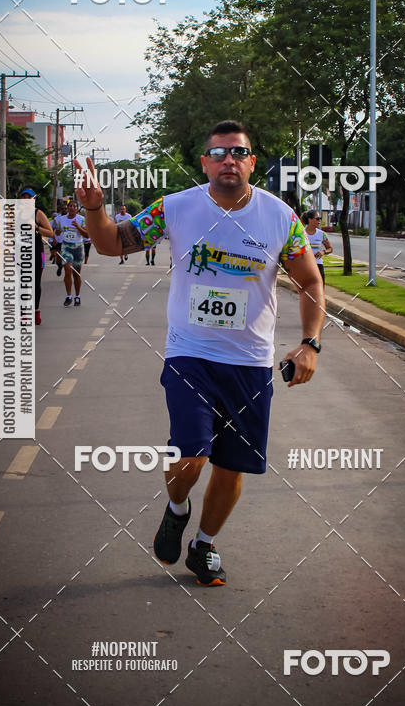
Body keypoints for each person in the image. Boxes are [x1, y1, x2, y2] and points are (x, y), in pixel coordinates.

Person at [74, 120, 324, 587]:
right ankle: (176, 508)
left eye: (239, 152)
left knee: (232, 466)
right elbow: (111, 244)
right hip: (189, 355)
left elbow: (310, 281)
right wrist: (95, 211)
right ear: (205, 162)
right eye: (220, 152)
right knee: (191, 455)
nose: (230, 159)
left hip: (250, 363)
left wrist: (309, 343)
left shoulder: (281, 218)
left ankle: (204, 544)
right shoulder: (175, 208)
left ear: (252, 162)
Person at [19, 188, 53, 325]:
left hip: (37, 252)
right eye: (24, 197)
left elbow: (50, 233)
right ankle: (24, 314)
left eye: (29, 197)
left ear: (33, 199)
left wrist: (36, 227)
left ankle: (36, 312)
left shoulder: (38, 213)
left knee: (35, 283)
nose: (26, 200)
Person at [55, 199, 89, 306]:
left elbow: (87, 235)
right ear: (68, 208)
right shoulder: (62, 219)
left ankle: (77, 296)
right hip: (66, 247)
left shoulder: (81, 219)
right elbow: (58, 231)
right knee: (67, 270)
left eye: (75, 206)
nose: (72, 208)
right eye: (71, 206)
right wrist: (57, 233)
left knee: (76, 274)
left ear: (77, 209)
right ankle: (69, 296)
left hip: (78, 248)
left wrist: (77, 226)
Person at [303, 209, 332, 283]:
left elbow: (330, 248)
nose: (319, 221)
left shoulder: (322, 234)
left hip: (318, 265)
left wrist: (323, 252)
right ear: (310, 219)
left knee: (320, 289)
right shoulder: (301, 234)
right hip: (304, 266)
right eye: (317, 219)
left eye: (320, 219)